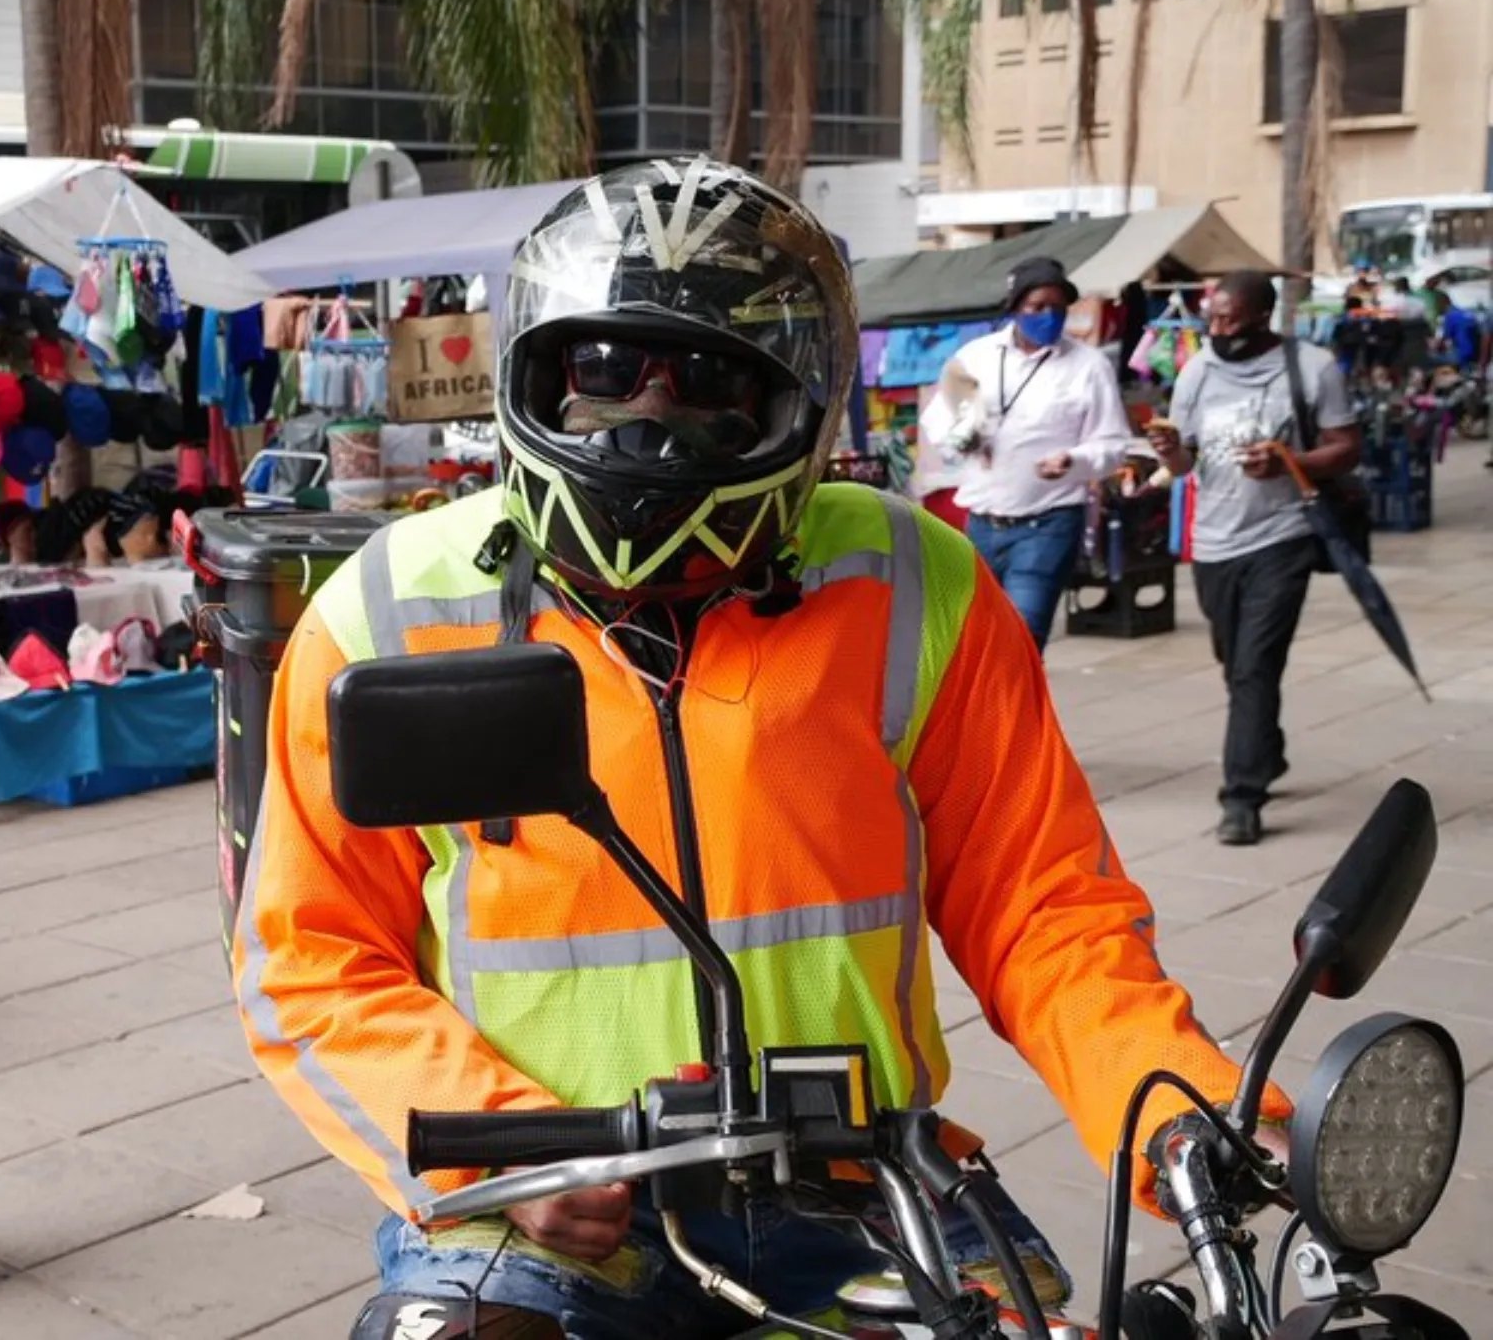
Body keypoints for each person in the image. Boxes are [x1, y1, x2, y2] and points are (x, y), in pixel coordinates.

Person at [237, 162, 1287, 1338]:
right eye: (602, 372)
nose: (648, 413)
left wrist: (1177, 1107)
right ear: (534, 371)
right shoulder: (384, 609)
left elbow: (1044, 908)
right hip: (544, 1190)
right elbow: (308, 959)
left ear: (798, 400)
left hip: (854, 1177)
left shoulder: (912, 580)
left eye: (712, 380)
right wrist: (494, 1138)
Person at [1148, 271, 1360, 847]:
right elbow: (1187, 461)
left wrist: (1291, 462)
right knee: (1235, 663)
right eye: (1212, 319)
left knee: (1254, 667)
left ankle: (1241, 797)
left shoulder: (1311, 366)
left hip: (1282, 538)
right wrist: (1171, 451)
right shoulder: (1197, 370)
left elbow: (1347, 446)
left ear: (1263, 317)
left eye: (1229, 322)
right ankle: (1266, 749)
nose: (1217, 331)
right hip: (1214, 542)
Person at [919, 256, 1135, 650]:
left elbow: (1113, 444)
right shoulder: (976, 357)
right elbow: (937, 419)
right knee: (975, 639)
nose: (1049, 316)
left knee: (1022, 635)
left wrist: (1075, 461)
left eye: (1058, 308)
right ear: (1016, 308)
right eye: (1038, 307)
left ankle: (1010, 709)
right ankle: (991, 712)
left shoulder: (1089, 366)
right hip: (983, 521)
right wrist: (961, 438)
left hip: (1048, 523)